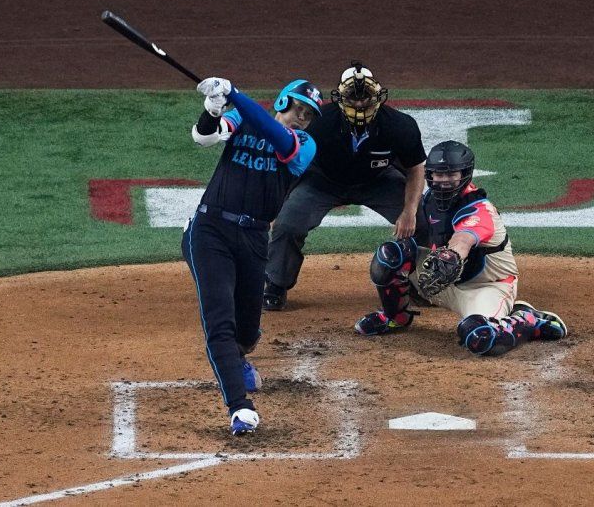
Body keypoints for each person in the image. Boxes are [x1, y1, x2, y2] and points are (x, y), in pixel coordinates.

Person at [181, 76, 322, 435]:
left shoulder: (303, 145)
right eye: (297, 108)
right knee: (220, 324)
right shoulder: (243, 118)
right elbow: (204, 137)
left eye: (307, 115)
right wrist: (212, 111)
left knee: (247, 329)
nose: (300, 118)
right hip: (210, 230)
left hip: (255, 237)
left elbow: (276, 137)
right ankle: (239, 407)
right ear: (281, 102)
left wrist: (236, 95)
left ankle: (239, 356)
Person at [354, 140, 568, 355]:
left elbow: (463, 240)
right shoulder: (429, 200)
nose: (443, 181)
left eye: (451, 175)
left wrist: (450, 255)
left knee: (480, 337)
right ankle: (395, 318)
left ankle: (528, 319)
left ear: (465, 174)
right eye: (438, 175)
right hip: (445, 279)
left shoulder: (479, 210)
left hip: (485, 287)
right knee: (390, 255)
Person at [263, 61, 426, 311]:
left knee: (424, 220)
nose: (360, 104)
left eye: (366, 98)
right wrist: (277, 205)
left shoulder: (400, 125)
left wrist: (409, 211)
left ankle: (419, 282)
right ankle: (276, 283)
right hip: (323, 181)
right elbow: (292, 162)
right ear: (340, 98)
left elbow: (415, 168)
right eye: (353, 97)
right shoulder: (319, 123)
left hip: (377, 180)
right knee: (287, 224)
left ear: (378, 97)